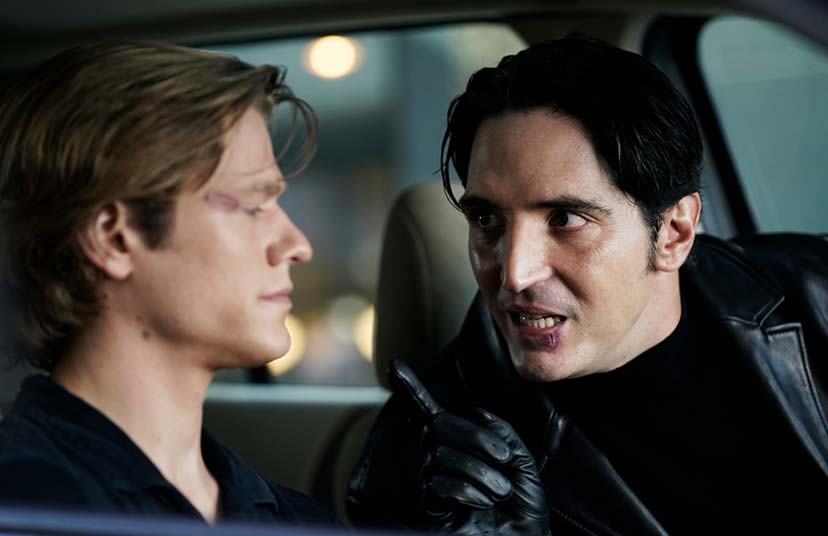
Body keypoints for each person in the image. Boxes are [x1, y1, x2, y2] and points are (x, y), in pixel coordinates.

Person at [346, 36, 828, 535]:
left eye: (565, 218)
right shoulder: (429, 460)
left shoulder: (817, 296)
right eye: (487, 219)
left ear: (674, 232)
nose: (514, 273)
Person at [0, 41, 340, 528]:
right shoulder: (24, 505)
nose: (297, 245)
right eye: (251, 204)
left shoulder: (300, 520)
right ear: (114, 238)